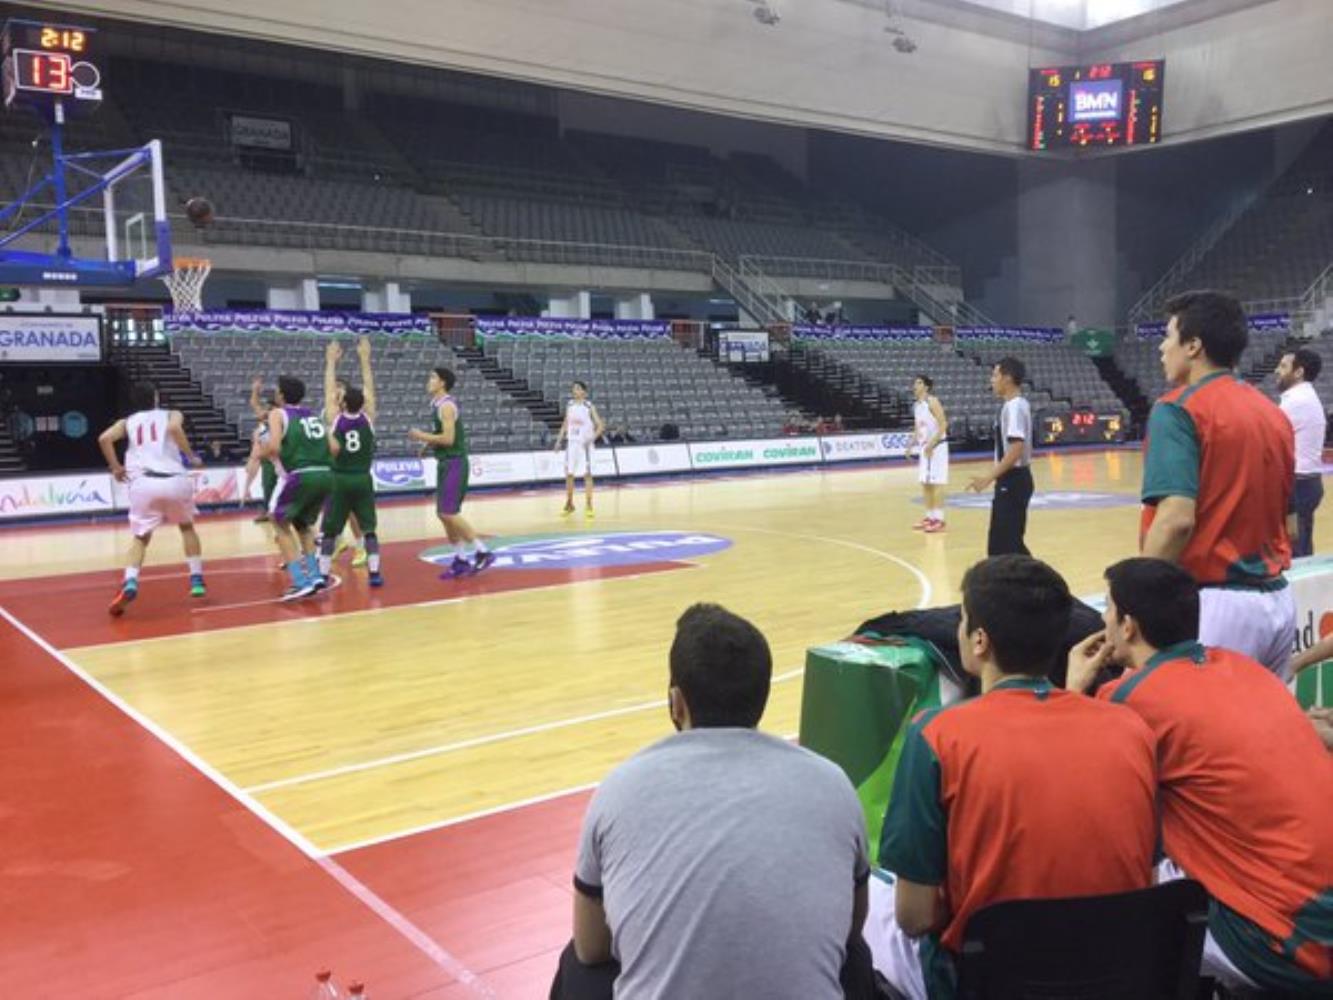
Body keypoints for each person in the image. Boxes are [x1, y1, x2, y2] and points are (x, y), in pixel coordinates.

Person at [552, 603, 878, 1000]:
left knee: (577, 963)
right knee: (854, 957)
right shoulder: (833, 783)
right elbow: (850, 927)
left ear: (676, 702)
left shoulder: (619, 788)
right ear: (762, 697)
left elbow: (591, 946)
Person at [868, 555, 1157, 1000]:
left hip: (987, 980)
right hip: (1116, 972)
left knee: (869, 894)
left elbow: (915, 916)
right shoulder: (1130, 728)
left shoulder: (937, 734)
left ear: (979, 640)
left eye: (963, 621)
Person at [1066, 557, 1333, 992]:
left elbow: (1066, 782)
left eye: (1109, 610)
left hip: (1287, 949)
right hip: (1313, 912)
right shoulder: (1246, 668)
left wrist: (1073, 694)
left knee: (1110, 876)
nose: (1103, 619)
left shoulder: (1129, 699)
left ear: (1128, 626)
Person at [1140, 291, 1295, 676]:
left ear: (1193, 346)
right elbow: (1289, 521)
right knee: (1266, 731)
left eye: (1168, 336)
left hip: (1215, 606)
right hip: (1277, 600)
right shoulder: (1272, 414)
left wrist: (1133, 595)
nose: (1161, 347)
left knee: (1203, 734)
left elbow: (1175, 520)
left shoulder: (1177, 408)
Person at [98, 381, 207, 615]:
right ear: (156, 397)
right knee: (187, 528)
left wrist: (116, 467)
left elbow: (104, 439)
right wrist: (191, 455)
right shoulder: (171, 413)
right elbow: (176, 430)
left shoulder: (127, 422)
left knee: (140, 538)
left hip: (144, 483)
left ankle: (130, 581)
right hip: (175, 480)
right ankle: (196, 579)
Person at [409, 367, 494, 579]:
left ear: (442, 383)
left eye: (432, 377)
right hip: (445, 462)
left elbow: (448, 439)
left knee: (449, 513)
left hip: (454, 463)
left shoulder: (446, 406)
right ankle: (461, 559)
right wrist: (428, 446)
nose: (429, 380)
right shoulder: (437, 404)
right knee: (442, 514)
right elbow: (442, 435)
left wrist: (422, 436)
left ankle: (482, 551)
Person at [318, 338, 383, 587]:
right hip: (363, 479)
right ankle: (375, 573)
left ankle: (323, 575)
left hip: (340, 478)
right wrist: (365, 359)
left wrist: (330, 362)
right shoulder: (368, 418)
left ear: (341, 403)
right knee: (369, 529)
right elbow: (369, 387)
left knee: (330, 531)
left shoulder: (335, 418)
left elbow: (327, 391)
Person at [265, 374, 334, 600]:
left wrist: (260, 450)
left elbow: (274, 447)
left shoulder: (277, 413)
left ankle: (299, 581)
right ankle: (315, 576)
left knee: (278, 521)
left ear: (281, 395)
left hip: (300, 475)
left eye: (277, 390)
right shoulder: (313, 416)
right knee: (303, 524)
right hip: (324, 474)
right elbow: (335, 447)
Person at [967, 357, 1034, 555]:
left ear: (1008, 378)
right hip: (1017, 480)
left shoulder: (1013, 407)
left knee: (1003, 545)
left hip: (1013, 480)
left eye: (995, 375)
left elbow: (1015, 449)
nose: (992, 380)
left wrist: (988, 478)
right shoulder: (1020, 404)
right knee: (1009, 542)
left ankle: (1033, 581)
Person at [1276, 347, 1326, 558]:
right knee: (1302, 549)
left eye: (1284, 366)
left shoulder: (1295, 401)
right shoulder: (1306, 397)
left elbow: (1268, 435)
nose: (1277, 370)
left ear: (1299, 372)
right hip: (1308, 482)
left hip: (1298, 484)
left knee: (1294, 552)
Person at [555, 380, 605, 519]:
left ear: (584, 392)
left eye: (577, 388)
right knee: (569, 474)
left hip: (585, 446)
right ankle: (569, 504)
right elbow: (565, 424)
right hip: (572, 444)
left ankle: (589, 505)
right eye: (573, 389)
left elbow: (600, 426)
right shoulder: (570, 405)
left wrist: (592, 438)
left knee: (587, 475)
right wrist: (559, 441)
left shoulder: (589, 406)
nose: (575, 391)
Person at [910, 374, 949, 533]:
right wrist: (910, 445)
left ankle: (939, 519)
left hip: (937, 447)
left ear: (926, 386)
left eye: (918, 383)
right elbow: (918, 428)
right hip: (924, 448)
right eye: (914, 383)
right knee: (925, 483)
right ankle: (929, 516)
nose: (915, 386)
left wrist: (933, 444)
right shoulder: (917, 406)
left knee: (937, 482)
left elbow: (943, 424)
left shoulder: (932, 401)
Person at [243, 378, 279, 524]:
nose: (268, 411)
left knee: (280, 485)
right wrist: (255, 390)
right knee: (268, 485)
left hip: (280, 457)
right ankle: (266, 510)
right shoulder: (264, 420)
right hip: (268, 459)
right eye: (267, 408)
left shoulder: (280, 418)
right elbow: (254, 404)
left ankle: (277, 510)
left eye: (271, 408)